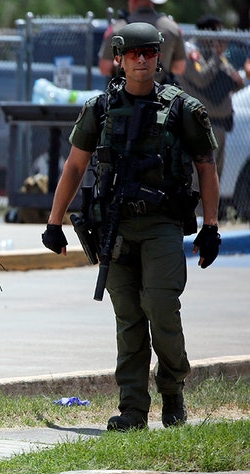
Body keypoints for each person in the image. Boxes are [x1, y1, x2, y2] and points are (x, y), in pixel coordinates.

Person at [42, 23, 221, 432]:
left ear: (159, 56)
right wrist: (54, 222)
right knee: (128, 318)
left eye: (150, 52)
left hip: (161, 224)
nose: (142, 60)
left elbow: (205, 167)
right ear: (119, 58)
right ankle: (133, 409)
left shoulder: (183, 109)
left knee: (160, 307)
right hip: (115, 228)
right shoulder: (99, 109)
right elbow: (75, 165)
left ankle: (172, 389)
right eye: (134, 53)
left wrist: (211, 226)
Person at [179, 14, 247, 179]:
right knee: (201, 178)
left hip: (220, 124)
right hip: (200, 123)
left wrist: (220, 59)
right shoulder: (192, 52)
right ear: (206, 32)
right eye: (217, 32)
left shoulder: (216, 54)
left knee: (216, 177)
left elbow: (236, 81)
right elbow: (201, 79)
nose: (220, 37)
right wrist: (217, 57)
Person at [99, 0, 186, 85]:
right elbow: (179, 67)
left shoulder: (117, 28)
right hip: (162, 94)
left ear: (132, 1)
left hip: (124, 94)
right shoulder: (172, 28)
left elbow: (105, 68)